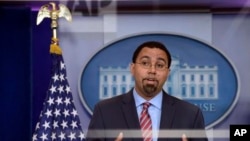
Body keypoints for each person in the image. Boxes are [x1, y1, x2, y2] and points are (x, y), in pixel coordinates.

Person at [86, 41, 208, 141]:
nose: (152, 70)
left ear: (168, 73)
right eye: (145, 63)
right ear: (133, 68)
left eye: (160, 65)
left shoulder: (190, 114)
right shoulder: (105, 111)